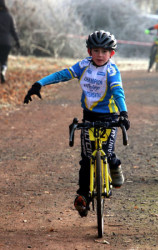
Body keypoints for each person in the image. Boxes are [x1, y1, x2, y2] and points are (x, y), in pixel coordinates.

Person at [23, 30, 130, 217]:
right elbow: (63, 74)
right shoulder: (83, 65)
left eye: (104, 51)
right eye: (96, 50)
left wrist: (123, 113)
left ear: (111, 54)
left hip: (110, 116)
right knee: (87, 159)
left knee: (108, 151)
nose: (99, 55)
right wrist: (39, 83)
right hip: (89, 116)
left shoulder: (112, 70)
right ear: (89, 51)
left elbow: (117, 91)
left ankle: (115, 165)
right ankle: (83, 196)